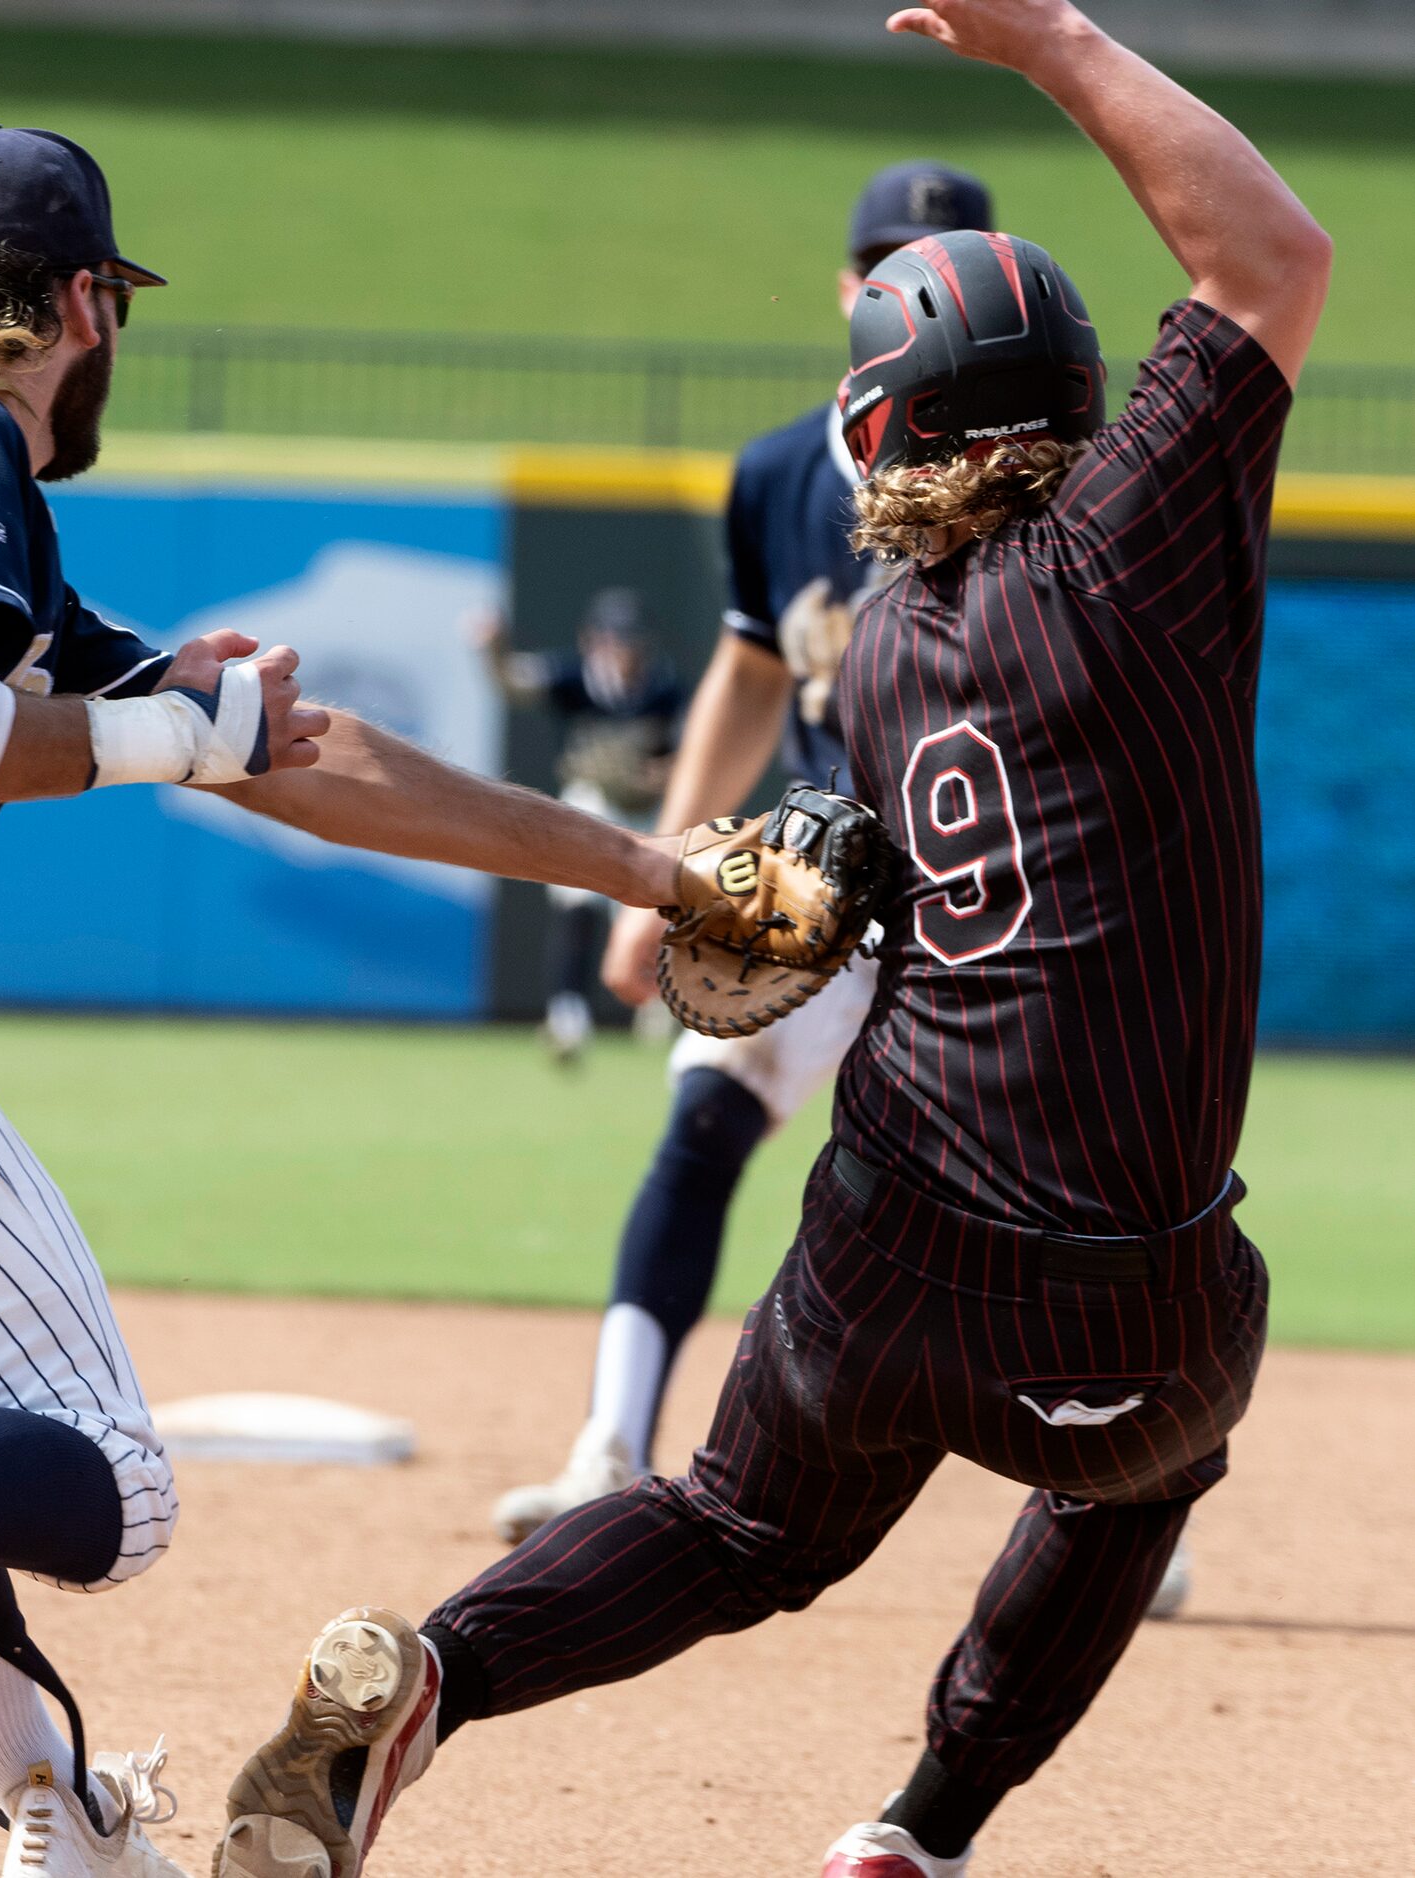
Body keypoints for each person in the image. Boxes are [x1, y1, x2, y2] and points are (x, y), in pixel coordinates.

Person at [210, 4, 1330, 1875]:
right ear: (1063, 402)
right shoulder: (1130, 543)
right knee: (1150, 1450)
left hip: (895, 1232)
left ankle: (436, 1674)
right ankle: (920, 1827)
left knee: (738, 1523)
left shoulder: (880, 645)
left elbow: (848, 857)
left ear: (874, 426)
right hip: (1133, 1283)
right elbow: (1269, 255)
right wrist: (1050, 36)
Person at [0, 128, 685, 1878]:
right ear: (84, 301)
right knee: (107, 1477)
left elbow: (309, 762)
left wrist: (646, 869)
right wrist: (160, 735)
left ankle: (61, 1821)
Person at [491, 159, 992, 1538]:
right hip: (822, 863)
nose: (913, 284)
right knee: (701, 1104)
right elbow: (747, 677)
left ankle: (1114, 1494)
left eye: (945, 261)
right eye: (890, 263)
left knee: (1023, 1189)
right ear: (848, 290)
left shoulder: (1029, 475)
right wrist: (657, 868)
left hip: (992, 878)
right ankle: (605, 1447)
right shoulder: (781, 472)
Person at [475, 586, 685, 1063]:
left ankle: (661, 1006)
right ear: (594, 640)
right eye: (616, 639)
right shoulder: (577, 676)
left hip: (646, 810)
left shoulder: (663, 687)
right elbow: (512, 682)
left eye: (632, 640)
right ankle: (568, 1017)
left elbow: (683, 753)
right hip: (593, 803)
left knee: (657, 910)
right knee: (579, 905)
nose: (625, 650)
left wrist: (663, 771)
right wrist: (492, 647)